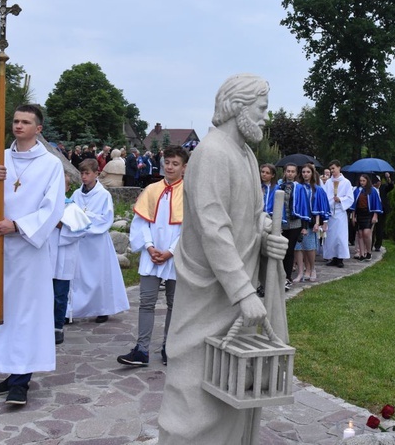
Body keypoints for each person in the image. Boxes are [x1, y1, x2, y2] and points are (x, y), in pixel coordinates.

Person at [157, 73, 289, 444]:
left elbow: (245, 218)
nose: (265, 117)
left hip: (233, 293)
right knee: (194, 388)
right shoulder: (212, 153)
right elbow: (214, 229)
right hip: (210, 295)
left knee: (231, 384)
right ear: (237, 107)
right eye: (261, 109)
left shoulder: (245, 154)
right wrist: (244, 292)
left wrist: (266, 239)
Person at [0, 104, 65, 406]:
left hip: (29, 251)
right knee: (3, 311)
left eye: (26, 122)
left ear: (39, 129)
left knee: (27, 314)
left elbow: (53, 208)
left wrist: (18, 225)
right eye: (15, 121)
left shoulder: (50, 165)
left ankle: (21, 381)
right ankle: (11, 371)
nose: (18, 126)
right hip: (1, 248)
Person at [118, 145, 188, 367]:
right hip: (152, 254)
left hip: (177, 256)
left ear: (184, 167)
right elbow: (141, 222)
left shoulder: (189, 193)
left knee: (174, 304)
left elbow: (189, 228)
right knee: (146, 302)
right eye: (167, 162)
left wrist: (171, 251)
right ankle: (142, 349)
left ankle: (170, 346)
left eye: (175, 164)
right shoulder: (151, 189)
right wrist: (149, 247)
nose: (170, 167)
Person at [69, 158, 130, 323]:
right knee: (79, 277)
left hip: (97, 243)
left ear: (96, 174)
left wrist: (85, 216)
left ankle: (102, 308)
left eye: (87, 173)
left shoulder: (103, 195)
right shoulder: (76, 194)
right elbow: (71, 213)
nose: (84, 177)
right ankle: (75, 309)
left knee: (99, 276)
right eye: (82, 173)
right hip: (81, 241)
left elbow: (106, 219)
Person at [51, 176, 91, 345]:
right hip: (47, 257)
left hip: (64, 258)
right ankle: (43, 326)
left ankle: (57, 327)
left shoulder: (72, 208)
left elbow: (80, 231)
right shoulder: (46, 206)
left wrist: (61, 226)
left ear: (67, 188)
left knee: (60, 295)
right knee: (45, 294)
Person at [269, 163, 309, 290]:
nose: (290, 173)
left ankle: (287, 277)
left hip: (294, 223)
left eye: (293, 171)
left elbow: (303, 206)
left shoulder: (299, 188)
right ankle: (277, 276)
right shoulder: (279, 186)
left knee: (289, 250)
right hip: (281, 222)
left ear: (296, 173)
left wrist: (304, 226)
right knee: (280, 250)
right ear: (284, 172)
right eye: (288, 171)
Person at [293, 163, 329, 282]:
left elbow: (320, 206)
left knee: (309, 247)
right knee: (298, 247)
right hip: (298, 220)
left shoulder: (317, 189)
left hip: (311, 221)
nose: (305, 174)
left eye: (308, 172)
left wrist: (319, 222)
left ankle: (312, 268)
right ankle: (301, 271)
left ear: (312, 173)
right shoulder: (298, 187)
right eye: (303, 172)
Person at [322, 160, 354, 267]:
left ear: (339, 168)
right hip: (330, 213)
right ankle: (333, 257)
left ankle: (340, 258)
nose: (332, 171)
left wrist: (340, 199)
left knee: (340, 236)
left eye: (333, 168)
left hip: (340, 212)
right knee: (331, 237)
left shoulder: (346, 182)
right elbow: (325, 197)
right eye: (330, 169)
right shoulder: (328, 183)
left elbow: (350, 198)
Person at [350, 174, 383, 261]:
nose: (362, 183)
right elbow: (354, 205)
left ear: (367, 181)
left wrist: (375, 216)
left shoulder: (373, 190)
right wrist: (353, 217)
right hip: (359, 214)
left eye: (363, 181)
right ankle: (361, 254)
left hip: (368, 214)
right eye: (360, 181)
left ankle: (368, 252)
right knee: (360, 234)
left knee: (366, 233)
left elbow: (376, 203)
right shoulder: (357, 190)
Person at [372, 173, 393, 252]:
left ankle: (378, 245)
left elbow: (391, 186)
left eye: (377, 182)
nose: (375, 183)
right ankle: (370, 244)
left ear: (380, 182)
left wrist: (388, 178)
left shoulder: (383, 187)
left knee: (379, 228)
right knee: (371, 228)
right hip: (373, 210)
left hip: (381, 210)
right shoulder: (371, 189)